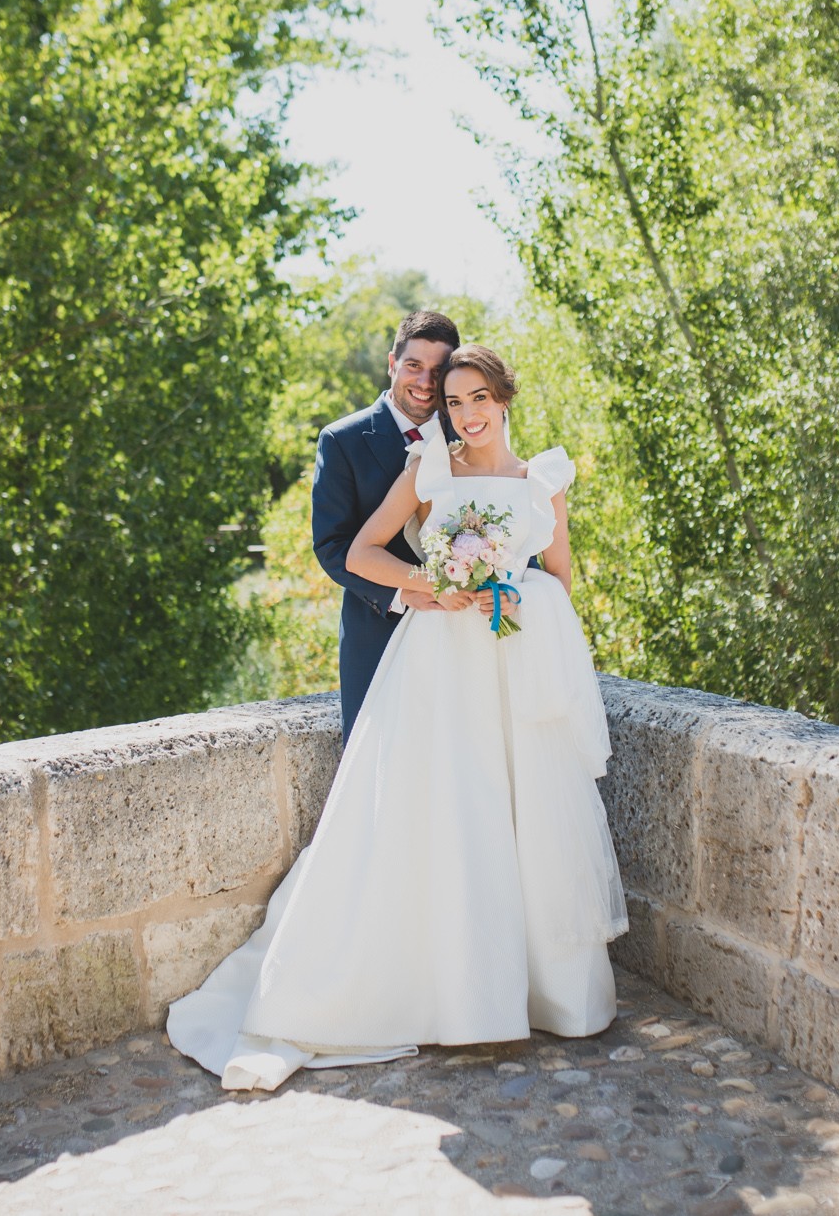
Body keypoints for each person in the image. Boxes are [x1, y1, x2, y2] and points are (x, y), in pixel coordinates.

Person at [167, 344, 625, 1092]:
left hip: (514, 665)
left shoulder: (544, 479)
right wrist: (433, 584)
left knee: (526, 818)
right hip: (440, 665)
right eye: (453, 403)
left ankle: (550, 991)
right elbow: (362, 550)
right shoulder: (429, 472)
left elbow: (561, 582)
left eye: (478, 398)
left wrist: (515, 594)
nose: (467, 415)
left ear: (504, 396)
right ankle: (450, 994)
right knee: (452, 813)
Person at [311, 310, 460, 741]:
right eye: (414, 366)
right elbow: (333, 546)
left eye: (438, 371)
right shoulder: (343, 440)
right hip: (378, 632)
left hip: (462, 634)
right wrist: (401, 592)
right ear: (392, 363)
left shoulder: (470, 431)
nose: (425, 382)